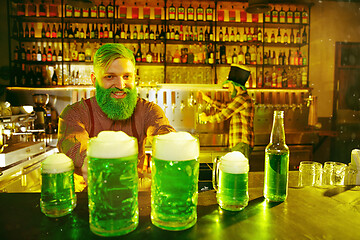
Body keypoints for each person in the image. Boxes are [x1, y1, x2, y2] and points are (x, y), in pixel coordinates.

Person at [57, 43, 175, 184]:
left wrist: (174, 147)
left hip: (131, 197)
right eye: (109, 77)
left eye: (126, 76)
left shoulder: (148, 110)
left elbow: (165, 135)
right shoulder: (74, 113)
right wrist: (91, 162)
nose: (120, 85)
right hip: (86, 197)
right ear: (94, 80)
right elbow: (74, 146)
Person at [198, 64, 254, 159]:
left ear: (236, 86)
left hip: (241, 144)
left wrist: (206, 118)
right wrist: (208, 100)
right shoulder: (241, 99)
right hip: (239, 144)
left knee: (238, 172)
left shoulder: (242, 99)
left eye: (229, 86)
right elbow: (226, 107)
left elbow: (222, 115)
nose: (228, 89)